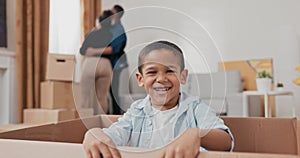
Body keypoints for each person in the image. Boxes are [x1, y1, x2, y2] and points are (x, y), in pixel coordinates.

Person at [83, 40, 234, 158]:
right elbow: (114, 134)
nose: (161, 78)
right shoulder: (136, 111)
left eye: (170, 71)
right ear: (140, 79)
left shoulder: (195, 108)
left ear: (183, 76)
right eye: (152, 72)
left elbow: (226, 141)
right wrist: (93, 134)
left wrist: (196, 134)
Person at [84, 5, 128, 115]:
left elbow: (112, 49)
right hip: (107, 64)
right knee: (104, 94)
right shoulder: (108, 28)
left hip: (116, 65)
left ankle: (116, 117)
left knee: (113, 92)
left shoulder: (118, 30)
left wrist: (94, 51)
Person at [79, 10, 114, 114]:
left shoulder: (92, 34)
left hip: (91, 63)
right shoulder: (112, 34)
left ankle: (83, 122)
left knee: (84, 97)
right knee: (102, 97)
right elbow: (114, 50)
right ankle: (103, 124)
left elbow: (82, 50)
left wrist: (92, 51)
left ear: (99, 22)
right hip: (106, 64)